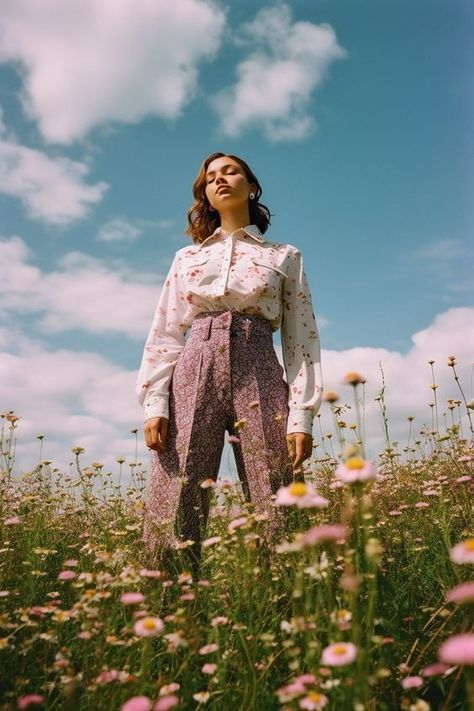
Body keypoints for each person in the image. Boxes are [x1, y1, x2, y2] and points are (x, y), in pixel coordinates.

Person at [136, 152, 323, 576]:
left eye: (230, 171)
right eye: (210, 178)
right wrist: (154, 403)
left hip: (257, 359)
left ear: (251, 186)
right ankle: (168, 609)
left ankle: (281, 609)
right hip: (193, 364)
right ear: (204, 195)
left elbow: (302, 338)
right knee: (175, 493)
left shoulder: (284, 255)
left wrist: (301, 417)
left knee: (275, 492)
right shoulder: (186, 258)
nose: (220, 180)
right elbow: (165, 332)